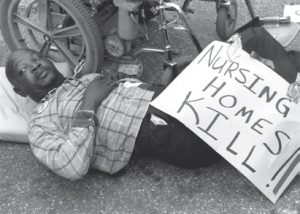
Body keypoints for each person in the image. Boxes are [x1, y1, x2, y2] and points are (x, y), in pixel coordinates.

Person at [4, 26, 299, 180]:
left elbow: (142, 89)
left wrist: (170, 77)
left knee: (248, 39)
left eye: (35, 58)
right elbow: (69, 166)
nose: (35, 65)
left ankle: (289, 84)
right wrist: (88, 106)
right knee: (246, 114)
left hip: (173, 97)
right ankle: (288, 104)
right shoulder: (41, 125)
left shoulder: (86, 77)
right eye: (23, 70)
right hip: (166, 130)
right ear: (19, 90)